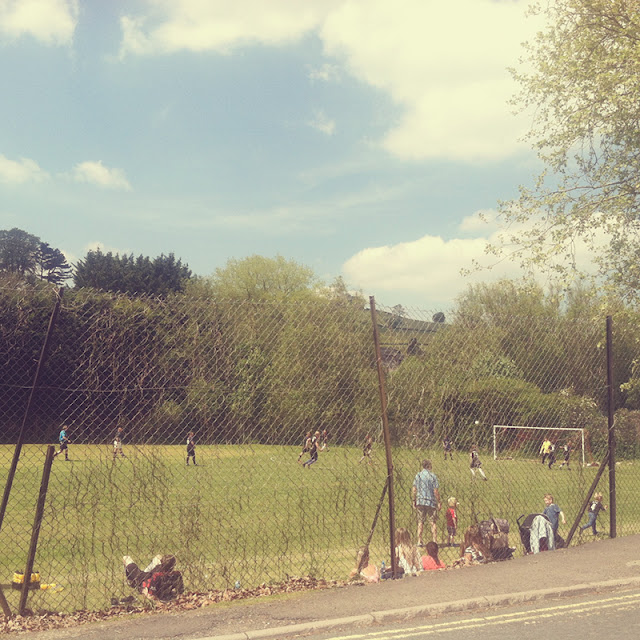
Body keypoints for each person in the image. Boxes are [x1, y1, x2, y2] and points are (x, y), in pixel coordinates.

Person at [412, 459, 441, 546]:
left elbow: (414, 489)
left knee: (420, 521)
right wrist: (439, 501)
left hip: (420, 500)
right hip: (430, 501)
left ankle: (419, 540)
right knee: (433, 522)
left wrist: (414, 500)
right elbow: (435, 491)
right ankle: (434, 540)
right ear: (429, 466)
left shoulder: (418, 476)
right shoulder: (432, 476)